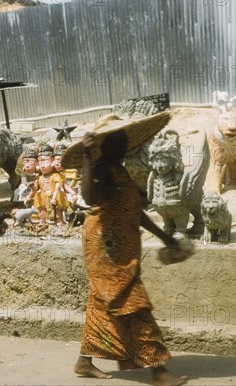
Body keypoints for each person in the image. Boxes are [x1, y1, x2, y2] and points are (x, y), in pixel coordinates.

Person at [63, 113, 188, 386]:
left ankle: (84, 361)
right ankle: (158, 369)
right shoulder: (99, 168)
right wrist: (85, 156)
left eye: (123, 138)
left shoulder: (121, 170)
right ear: (104, 145)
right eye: (115, 139)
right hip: (105, 249)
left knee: (103, 302)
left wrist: (164, 236)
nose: (122, 142)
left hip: (125, 247)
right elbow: (88, 197)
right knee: (134, 303)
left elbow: (136, 211)